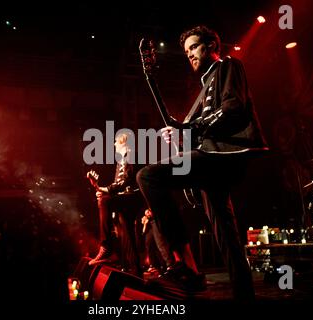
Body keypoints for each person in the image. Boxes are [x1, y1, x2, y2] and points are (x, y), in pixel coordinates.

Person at [137, 25, 268, 299]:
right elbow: (198, 129)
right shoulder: (205, 84)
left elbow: (233, 109)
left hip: (226, 155)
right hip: (212, 158)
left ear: (211, 46)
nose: (190, 55)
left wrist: (188, 129)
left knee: (148, 176)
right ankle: (244, 295)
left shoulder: (228, 66)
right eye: (186, 52)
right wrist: (180, 133)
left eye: (194, 47)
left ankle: (181, 260)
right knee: (226, 234)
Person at [88, 133, 142, 275]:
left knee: (104, 201)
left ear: (124, 143)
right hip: (125, 198)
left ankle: (106, 247)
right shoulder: (121, 161)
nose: (114, 145)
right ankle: (137, 271)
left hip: (132, 198)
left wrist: (104, 191)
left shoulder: (131, 156)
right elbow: (117, 185)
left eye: (116, 142)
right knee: (127, 233)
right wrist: (101, 189)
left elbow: (125, 181)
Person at [141, 208, 175, 278]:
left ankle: (170, 266)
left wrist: (149, 210)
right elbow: (143, 232)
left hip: (155, 218)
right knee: (150, 244)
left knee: (161, 244)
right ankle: (158, 267)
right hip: (150, 221)